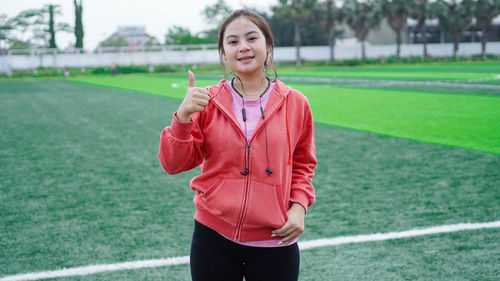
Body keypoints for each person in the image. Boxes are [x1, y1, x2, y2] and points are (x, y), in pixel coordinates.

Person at [158, 9, 316, 281]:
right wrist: (183, 117)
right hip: (213, 238)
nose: (243, 47)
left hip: (276, 240)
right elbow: (173, 164)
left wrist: (299, 206)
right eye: (232, 42)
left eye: (252, 38)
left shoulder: (296, 103)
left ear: (268, 47)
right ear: (223, 54)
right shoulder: (206, 101)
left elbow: (303, 164)